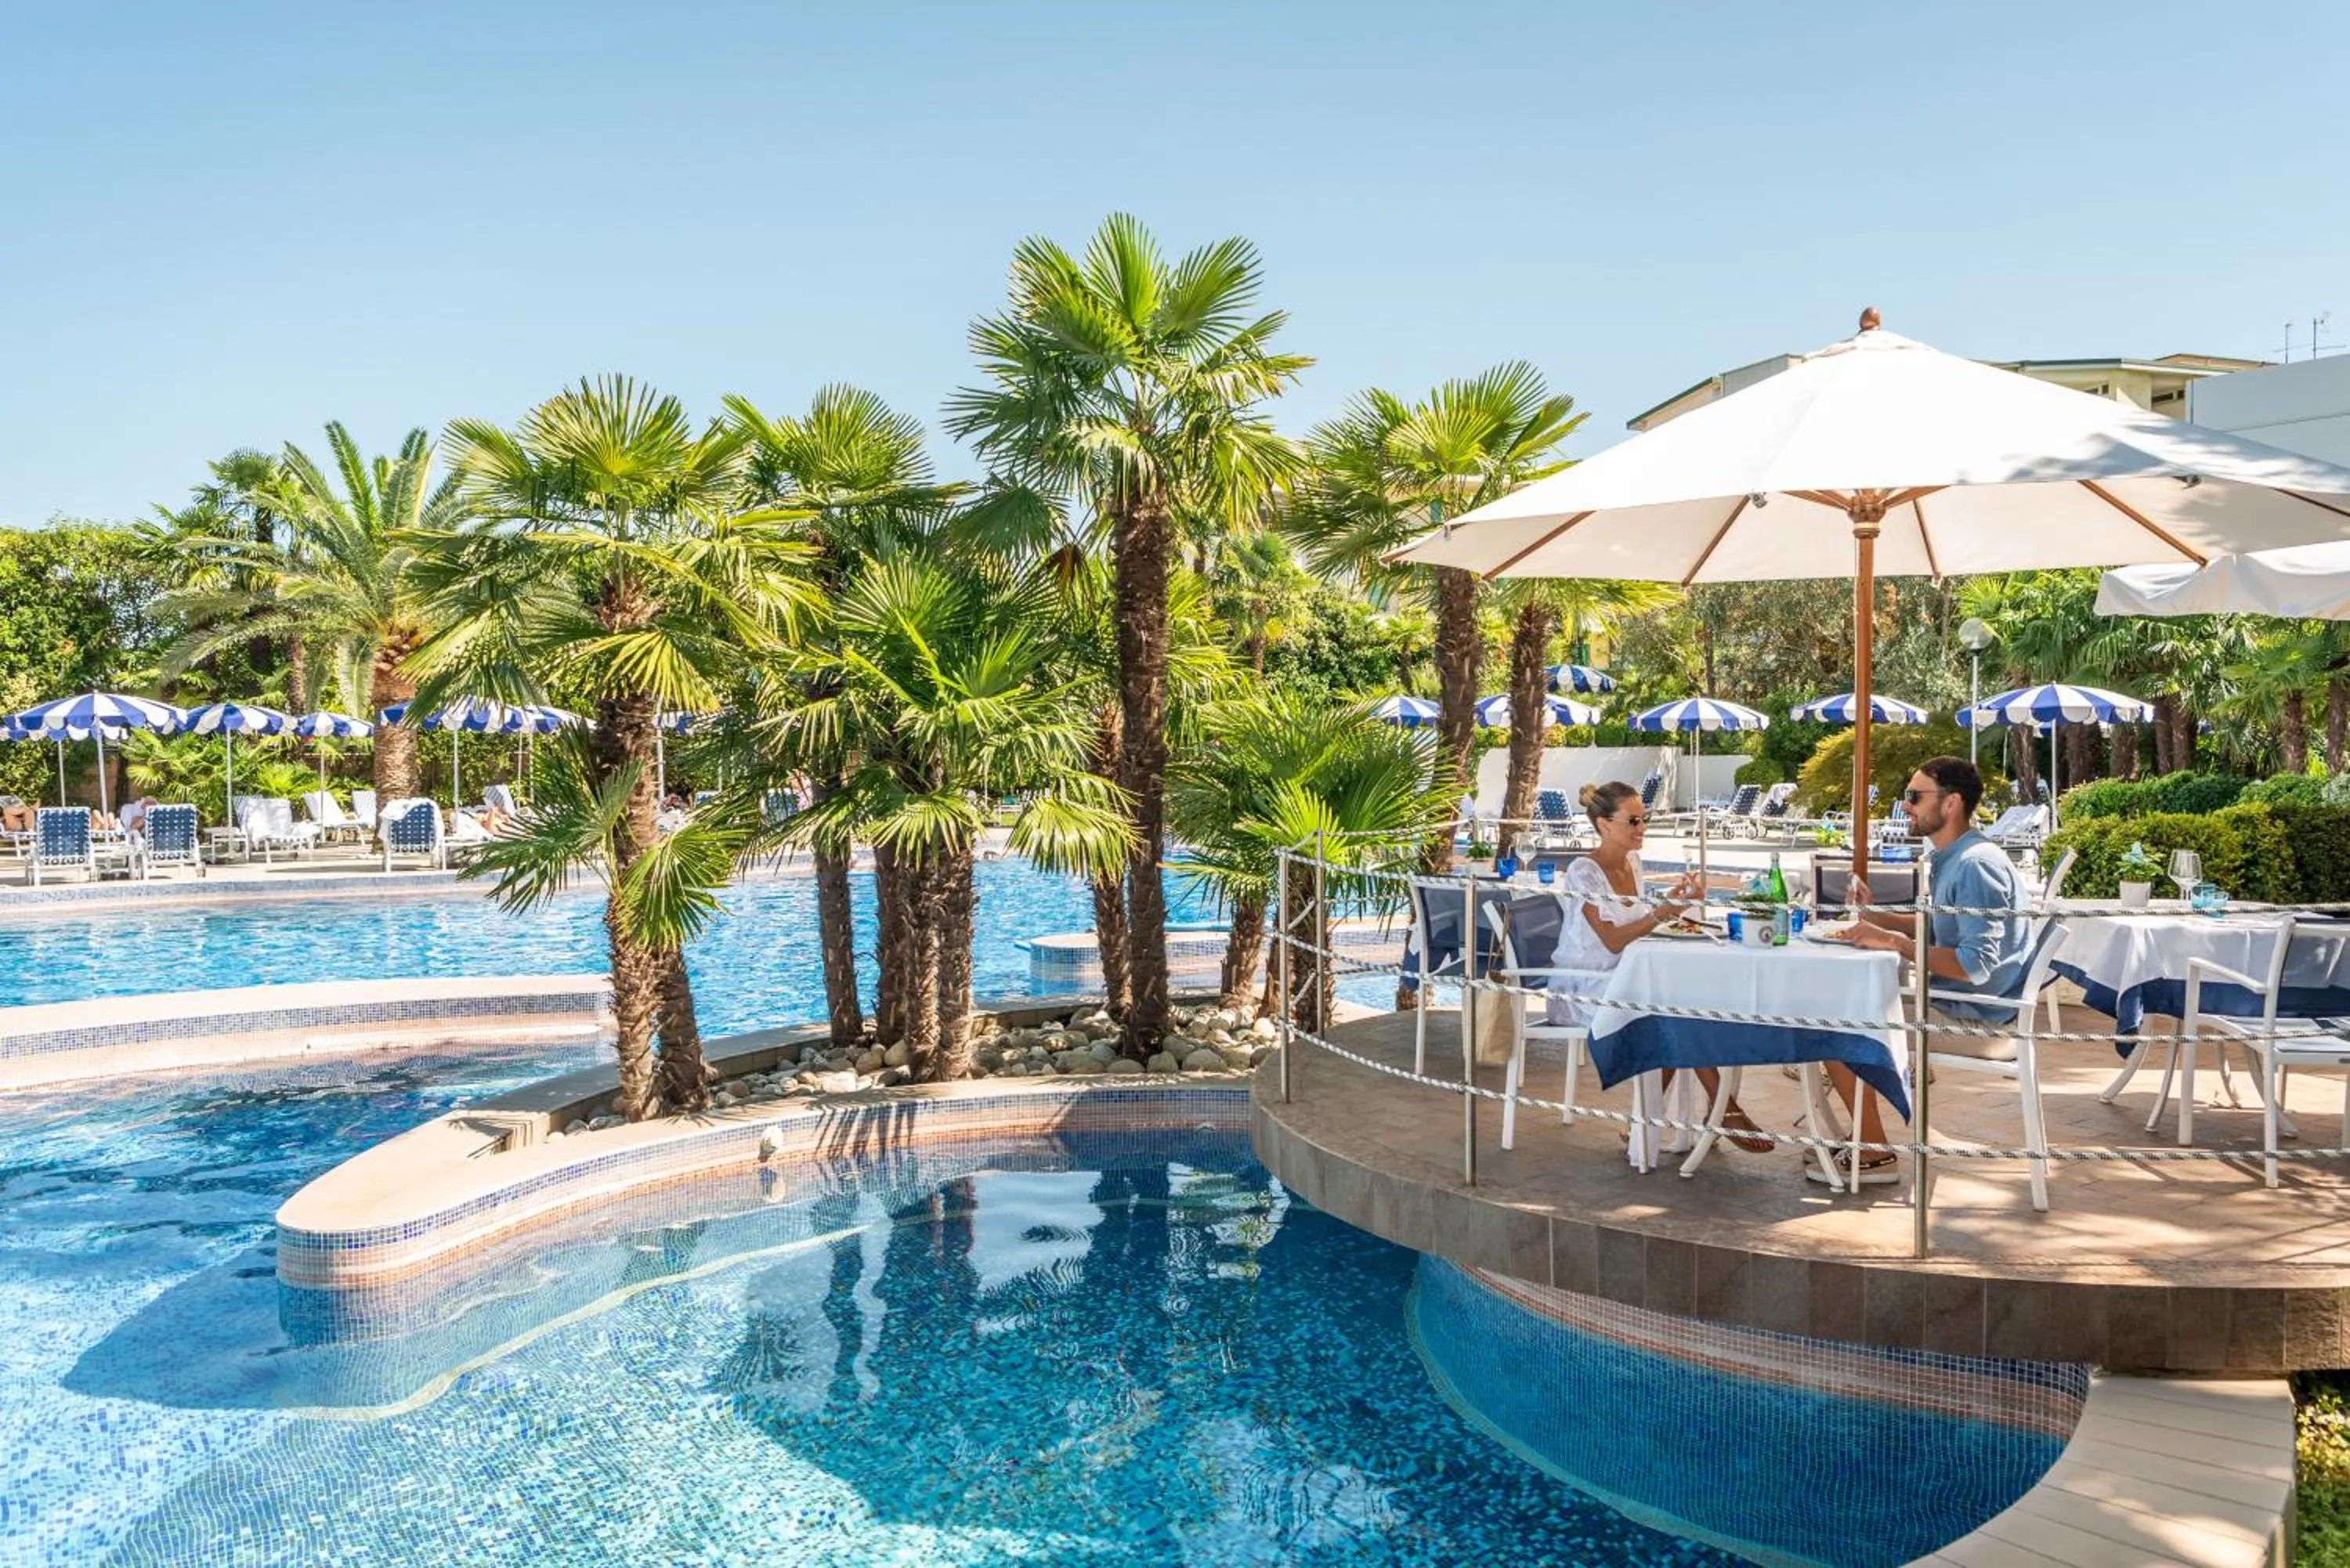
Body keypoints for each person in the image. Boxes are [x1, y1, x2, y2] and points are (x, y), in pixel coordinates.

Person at [1831, 755, 2030, 1187]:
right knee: (1837, 1011)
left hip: (1981, 1024)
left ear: (1951, 803)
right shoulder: (1953, 858)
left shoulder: (1976, 865)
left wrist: (1896, 945)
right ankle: (1864, 1130)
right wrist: (1875, 917)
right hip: (1960, 1006)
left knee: (1835, 1026)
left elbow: (1975, 966)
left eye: (1914, 796)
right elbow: (1935, 927)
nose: (1905, 806)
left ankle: (1874, 1150)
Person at [1553, 781, 1771, 1158]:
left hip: (1630, 976)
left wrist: (1676, 902)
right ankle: (1725, 1109)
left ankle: (1644, 1122)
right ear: (1604, 824)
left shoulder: (1632, 863)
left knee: (1689, 1004)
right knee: (1673, 1012)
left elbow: (1640, 921)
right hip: (1588, 986)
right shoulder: (1583, 872)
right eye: (1633, 820)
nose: (1642, 828)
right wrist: (1661, 913)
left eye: (1645, 819)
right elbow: (1613, 940)